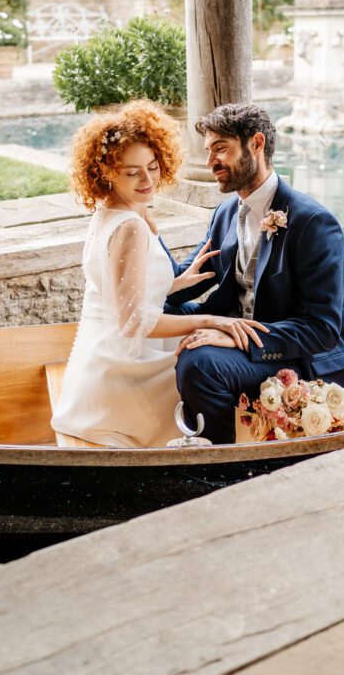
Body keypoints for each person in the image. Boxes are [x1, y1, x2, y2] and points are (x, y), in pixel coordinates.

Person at [50, 100, 268, 449]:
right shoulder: (131, 228)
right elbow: (133, 323)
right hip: (127, 368)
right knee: (213, 368)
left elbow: (117, 288)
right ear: (106, 171)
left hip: (100, 355)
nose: (147, 179)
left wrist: (176, 282)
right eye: (132, 172)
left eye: (152, 167)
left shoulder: (110, 213)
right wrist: (214, 322)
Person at [165, 102, 344, 444]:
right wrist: (141, 224)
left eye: (221, 149)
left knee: (199, 362)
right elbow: (186, 279)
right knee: (158, 313)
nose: (210, 161)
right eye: (208, 150)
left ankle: (221, 463)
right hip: (236, 332)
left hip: (295, 356)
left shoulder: (313, 223)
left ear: (256, 143)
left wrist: (236, 336)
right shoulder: (226, 212)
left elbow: (322, 328)